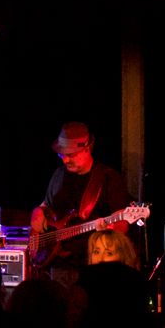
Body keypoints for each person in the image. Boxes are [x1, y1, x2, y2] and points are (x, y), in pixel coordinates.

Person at [31, 122, 135, 286]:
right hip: (57, 264)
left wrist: (111, 228)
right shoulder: (59, 175)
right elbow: (45, 205)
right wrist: (37, 211)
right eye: (62, 155)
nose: (65, 159)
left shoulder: (108, 177)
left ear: (87, 148)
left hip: (92, 265)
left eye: (70, 154)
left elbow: (122, 222)